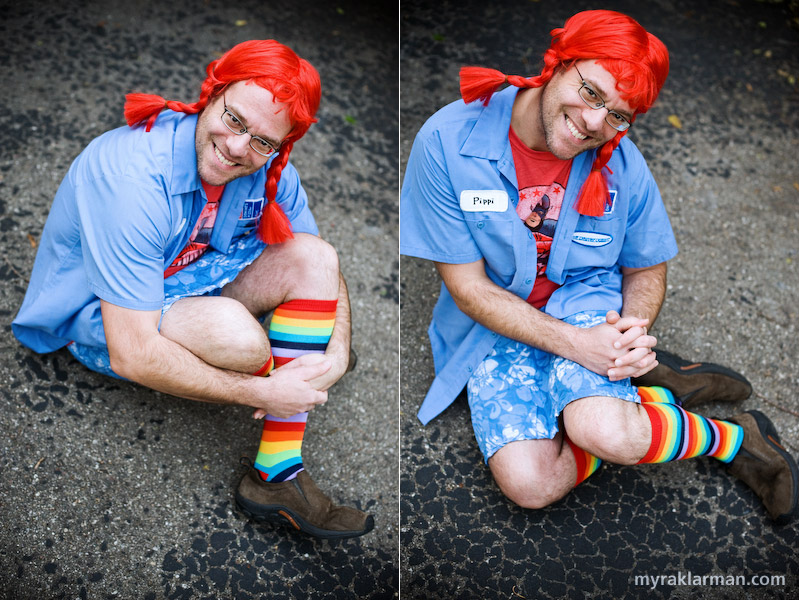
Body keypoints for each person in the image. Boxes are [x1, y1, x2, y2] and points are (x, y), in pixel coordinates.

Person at [400, 10, 797, 524]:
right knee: (531, 484)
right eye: (591, 93)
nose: (595, 123)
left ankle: (738, 440)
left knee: (605, 433)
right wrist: (577, 349)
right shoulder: (447, 143)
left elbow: (646, 267)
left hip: (587, 307)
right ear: (557, 64)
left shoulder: (622, 163)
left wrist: (630, 334)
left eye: (618, 114)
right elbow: (470, 290)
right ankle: (654, 393)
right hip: (495, 324)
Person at [12, 40, 373, 539]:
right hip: (105, 318)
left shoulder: (267, 164)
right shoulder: (131, 179)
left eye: (265, 141)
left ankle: (274, 474)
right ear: (213, 91)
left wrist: (336, 352)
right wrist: (266, 390)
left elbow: (318, 260)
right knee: (243, 344)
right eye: (235, 120)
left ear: (283, 143)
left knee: (316, 256)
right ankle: (284, 362)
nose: (238, 147)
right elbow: (132, 354)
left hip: (191, 279)